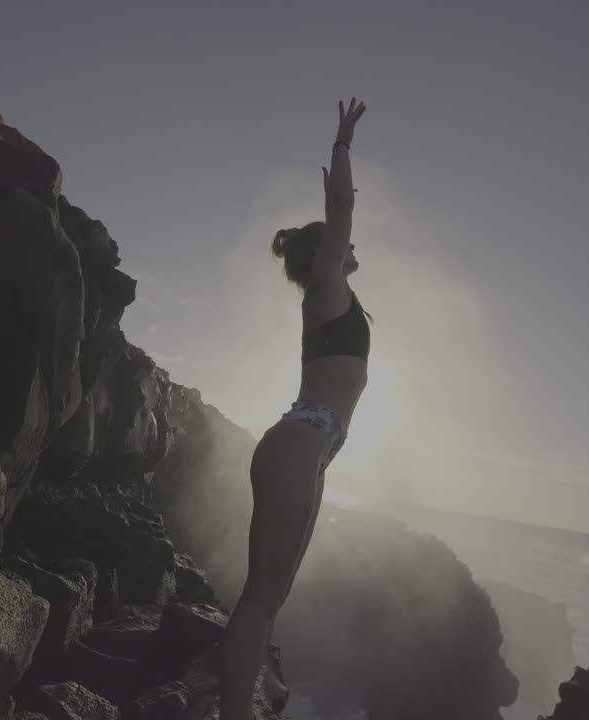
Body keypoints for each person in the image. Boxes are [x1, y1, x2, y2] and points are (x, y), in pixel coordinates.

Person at [218, 97, 370, 720]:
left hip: (311, 450)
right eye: (340, 241)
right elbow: (342, 208)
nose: (351, 243)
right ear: (324, 252)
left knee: (271, 601)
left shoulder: (337, 296)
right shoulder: (327, 288)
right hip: (298, 443)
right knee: (260, 598)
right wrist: (343, 140)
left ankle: (240, 706)